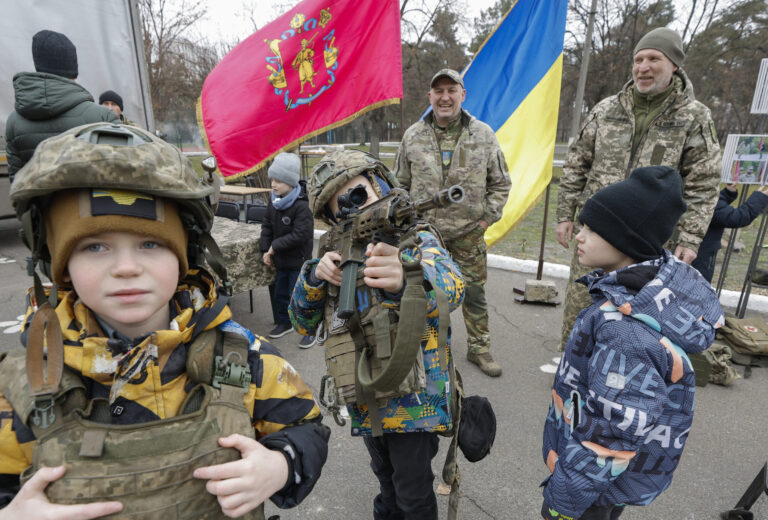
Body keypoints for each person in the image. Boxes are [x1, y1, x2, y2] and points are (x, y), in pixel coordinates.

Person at [0, 123, 329, 519]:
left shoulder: (242, 357)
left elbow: (306, 427)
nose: (126, 268)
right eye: (96, 246)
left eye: (150, 244)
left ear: (183, 254)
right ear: (61, 263)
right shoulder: (23, 385)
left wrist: (280, 465)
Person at [290, 150, 465, 520]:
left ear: (380, 185)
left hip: (415, 404)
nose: (353, 208)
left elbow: (452, 287)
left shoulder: (416, 239)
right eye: (341, 206)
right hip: (365, 396)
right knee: (386, 482)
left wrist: (409, 279)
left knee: (413, 493)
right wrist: (314, 279)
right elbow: (303, 323)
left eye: (359, 193)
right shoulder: (331, 254)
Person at [541, 166, 723, 520]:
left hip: (591, 484)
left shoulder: (627, 332)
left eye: (592, 229)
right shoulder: (637, 294)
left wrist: (562, 501)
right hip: (604, 479)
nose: (579, 236)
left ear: (626, 241)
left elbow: (610, 433)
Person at [555, 26, 721, 351]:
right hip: (598, 230)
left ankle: (623, 372)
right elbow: (577, 163)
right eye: (639, 59)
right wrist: (565, 214)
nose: (643, 67)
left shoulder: (694, 118)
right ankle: (572, 361)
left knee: (637, 309)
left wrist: (690, 237)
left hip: (648, 240)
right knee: (583, 298)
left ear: (674, 64)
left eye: (654, 59)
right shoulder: (606, 110)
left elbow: (703, 183)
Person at [395, 68, 511, 377]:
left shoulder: (483, 134)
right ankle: (425, 350)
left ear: (463, 95)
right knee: (423, 293)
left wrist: (486, 220)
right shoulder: (413, 135)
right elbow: (399, 186)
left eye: (452, 90)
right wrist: (405, 223)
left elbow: (500, 184)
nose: (445, 97)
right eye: (439, 91)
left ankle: (479, 348)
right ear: (430, 96)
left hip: (468, 233)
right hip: (424, 235)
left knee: (474, 292)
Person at [5, 30, 118, 178]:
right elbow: (120, 174)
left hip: (38, 201)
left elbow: (17, 183)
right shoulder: (104, 117)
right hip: (90, 200)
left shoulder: (14, 122)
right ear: (73, 70)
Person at [260, 152, 315, 347]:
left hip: (298, 260)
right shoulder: (274, 201)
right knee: (281, 294)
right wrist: (265, 249)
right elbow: (266, 225)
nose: (274, 184)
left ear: (291, 183)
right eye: (273, 179)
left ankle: (310, 329)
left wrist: (275, 246)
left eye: (279, 181)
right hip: (280, 260)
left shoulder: (301, 206)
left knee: (299, 296)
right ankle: (285, 322)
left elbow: (301, 235)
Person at [692, 184, 768, 282]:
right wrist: (760, 198)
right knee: (697, 287)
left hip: (698, 250)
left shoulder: (694, 190)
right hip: (699, 254)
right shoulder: (701, 196)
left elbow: (715, 205)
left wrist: (727, 193)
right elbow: (737, 217)